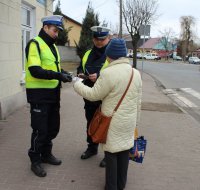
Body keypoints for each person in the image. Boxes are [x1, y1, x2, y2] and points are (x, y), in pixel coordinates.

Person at [74, 38, 142, 190]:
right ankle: (121, 184)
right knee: (124, 151)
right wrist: (136, 123)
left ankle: (111, 186)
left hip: (112, 122)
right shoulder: (135, 73)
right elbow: (138, 101)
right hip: (129, 121)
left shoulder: (107, 73)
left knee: (111, 153)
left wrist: (77, 85)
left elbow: (93, 95)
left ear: (110, 55)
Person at [25, 15, 72, 177]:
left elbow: (54, 68)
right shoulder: (35, 44)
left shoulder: (51, 46)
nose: (56, 34)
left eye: (58, 31)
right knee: (40, 130)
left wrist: (63, 73)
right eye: (54, 30)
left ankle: (46, 154)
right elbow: (35, 70)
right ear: (45, 28)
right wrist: (58, 76)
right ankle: (35, 160)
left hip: (53, 95)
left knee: (52, 127)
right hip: (38, 96)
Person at [77, 26, 110, 167]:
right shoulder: (87, 53)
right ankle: (92, 148)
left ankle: (108, 155)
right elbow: (80, 67)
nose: (99, 42)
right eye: (97, 39)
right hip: (90, 96)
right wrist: (80, 73)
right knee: (91, 123)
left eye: (102, 39)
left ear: (108, 39)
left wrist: (99, 77)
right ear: (93, 39)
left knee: (107, 126)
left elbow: (118, 73)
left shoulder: (111, 54)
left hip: (106, 98)